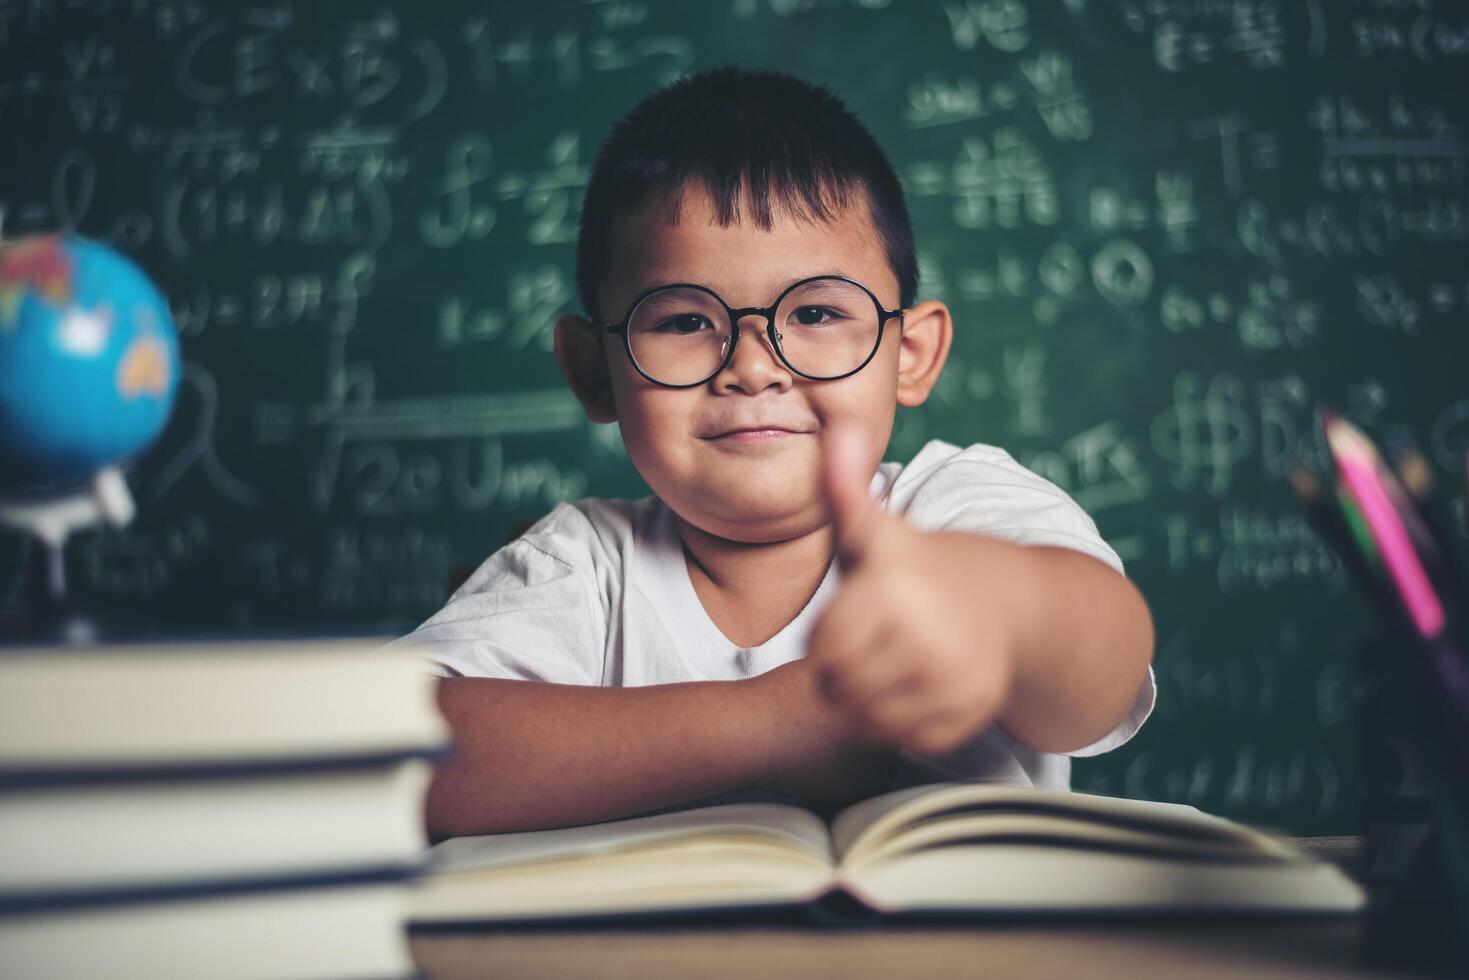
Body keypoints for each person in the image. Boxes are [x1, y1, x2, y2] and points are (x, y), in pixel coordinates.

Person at [390, 67, 1156, 841]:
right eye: (685, 322)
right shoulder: (581, 565)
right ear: (594, 372)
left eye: (817, 311)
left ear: (911, 354)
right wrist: (775, 724)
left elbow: (1102, 670)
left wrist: (999, 608)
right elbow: (390, 759)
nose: (753, 367)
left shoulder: (954, 506)